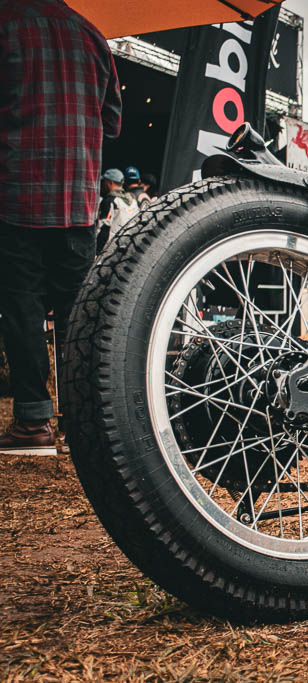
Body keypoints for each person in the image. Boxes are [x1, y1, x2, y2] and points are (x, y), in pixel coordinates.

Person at [0, 0, 121, 453]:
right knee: (78, 314)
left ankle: (33, 424)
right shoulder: (91, 34)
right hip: (77, 202)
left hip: (16, 197)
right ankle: (81, 424)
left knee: (23, 311)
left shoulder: (5, 24)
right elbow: (112, 123)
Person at [95, 168, 138, 253]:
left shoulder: (109, 201)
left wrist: (97, 251)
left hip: (108, 250)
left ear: (110, 182)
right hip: (127, 247)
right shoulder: (133, 201)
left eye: (104, 182)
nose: (102, 185)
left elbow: (104, 228)